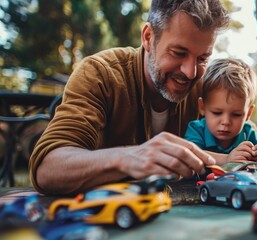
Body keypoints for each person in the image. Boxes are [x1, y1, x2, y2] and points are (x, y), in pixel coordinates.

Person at [29, 0, 230, 195]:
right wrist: (128, 158)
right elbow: (47, 169)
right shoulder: (100, 74)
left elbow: (242, 144)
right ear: (148, 37)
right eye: (178, 52)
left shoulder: (206, 90)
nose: (190, 72)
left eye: (202, 58)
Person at [184, 58, 257, 166]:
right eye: (217, 112)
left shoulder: (247, 132)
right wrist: (227, 159)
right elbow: (190, 155)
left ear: (248, 113)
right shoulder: (197, 129)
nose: (226, 122)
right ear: (202, 107)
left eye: (236, 114)